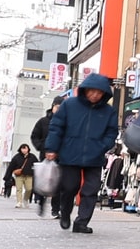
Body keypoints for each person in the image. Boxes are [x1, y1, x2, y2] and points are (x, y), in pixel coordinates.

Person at [44, 74, 118, 234]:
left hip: (95, 156)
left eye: (99, 93)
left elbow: (112, 133)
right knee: (70, 187)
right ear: (85, 90)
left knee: (91, 190)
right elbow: (56, 127)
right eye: (92, 91)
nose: (95, 95)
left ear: (104, 94)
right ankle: (65, 213)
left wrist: (103, 146)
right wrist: (51, 148)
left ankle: (81, 222)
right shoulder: (69, 105)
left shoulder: (108, 111)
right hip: (70, 154)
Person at [32, 98, 64, 216]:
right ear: (53, 106)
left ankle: (55, 209)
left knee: (58, 183)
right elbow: (34, 136)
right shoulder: (43, 122)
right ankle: (41, 201)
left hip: (61, 157)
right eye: (57, 106)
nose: (59, 109)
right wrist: (42, 147)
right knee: (43, 180)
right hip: (45, 156)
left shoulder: (66, 122)